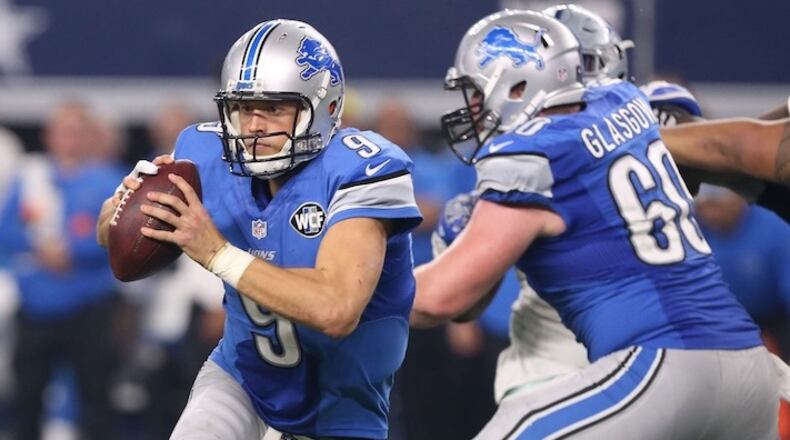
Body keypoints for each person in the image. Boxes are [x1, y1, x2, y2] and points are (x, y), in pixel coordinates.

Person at [411, 10, 779, 439]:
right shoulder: (624, 102)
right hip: (750, 371)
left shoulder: (530, 154)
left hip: (662, 364)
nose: (472, 107)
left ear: (518, 85)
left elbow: (438, 298)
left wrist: (360, 283)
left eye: (476, 92)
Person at [96, 19, 421, 440]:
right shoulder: (204, 153)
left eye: (274, 109)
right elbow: (111, 236)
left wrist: (217, 253)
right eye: (244, 107)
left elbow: (336, 309)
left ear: (325, 109)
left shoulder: (361, 168)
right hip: (241, 380)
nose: (254, 126)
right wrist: (124, 205)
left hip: (342, 407)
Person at [0, 101, 124, 440]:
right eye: (63, 131)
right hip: (36, 308)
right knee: (27, 397)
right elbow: (5, 228)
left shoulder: (109, 180)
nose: (69, 139)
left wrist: (75, 252)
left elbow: (123, 235)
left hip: (89, 306)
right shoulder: (31, 178)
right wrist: (39, 246)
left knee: (96, 398)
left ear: (88, 136)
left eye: (76, 131)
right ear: (49, 135)